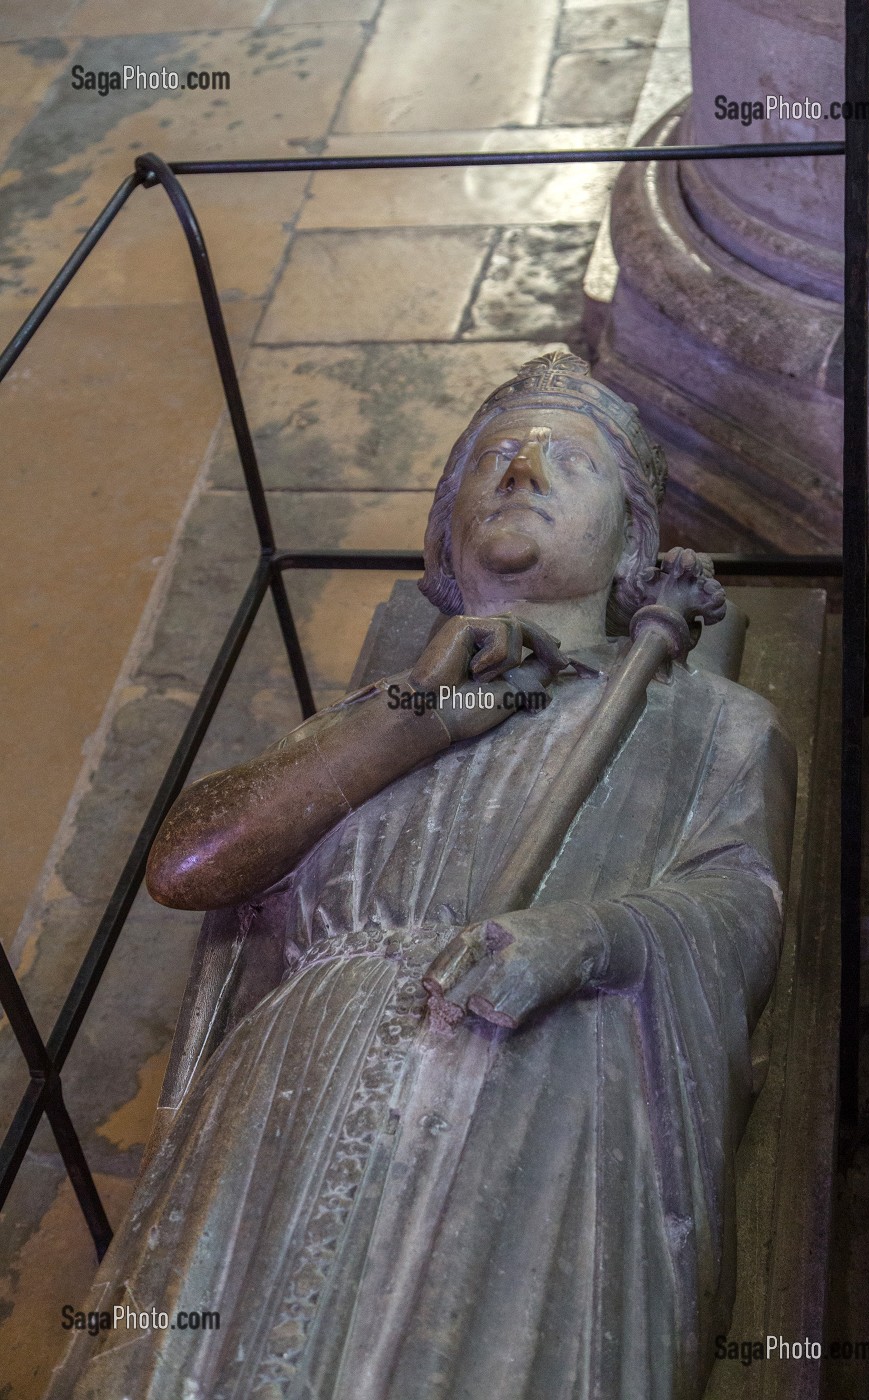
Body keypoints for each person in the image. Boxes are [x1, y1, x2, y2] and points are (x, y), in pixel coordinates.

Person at [48, 352, 796, 1400]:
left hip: (544, 1064)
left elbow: (742, 911)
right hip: (303, 1081)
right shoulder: (375, 719)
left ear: (633, 541)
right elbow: (190, 859)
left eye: (565, 460)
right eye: (493, 455)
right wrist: (416, 716)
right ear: (444, 533)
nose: (523, 467)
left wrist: (579, 938)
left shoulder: (704, 721)